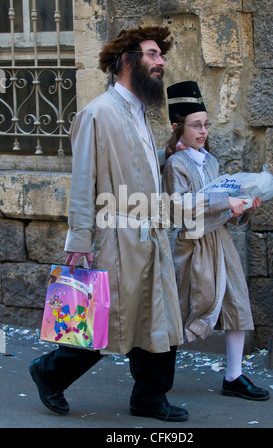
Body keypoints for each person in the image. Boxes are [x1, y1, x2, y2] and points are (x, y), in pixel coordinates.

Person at [29, 27, 189, 422]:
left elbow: (139, 172)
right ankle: (49, 374)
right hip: (115, 238)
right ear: (127, 60)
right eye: (153, 54)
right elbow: (83, 181)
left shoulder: (140, 114)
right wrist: (79, 240)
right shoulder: (97, 113)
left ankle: (150, 398)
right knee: (103, 321)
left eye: (161, 56)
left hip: (150, 235)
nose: (161, 62)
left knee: (160, 318)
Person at [162, 80, 270, 401]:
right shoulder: (175, 164)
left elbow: (222, 204)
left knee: (236, 303)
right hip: (191, 246)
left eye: (206, 125)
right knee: (181, 310)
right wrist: (225, 203)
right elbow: (179, 208)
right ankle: (156, 382)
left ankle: (233, 377)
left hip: (220, 243)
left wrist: (243, 207)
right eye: (196, 125)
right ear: (177, 127)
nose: (203, 131)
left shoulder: (209, 161)